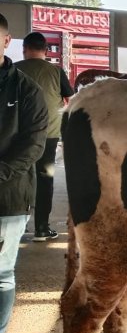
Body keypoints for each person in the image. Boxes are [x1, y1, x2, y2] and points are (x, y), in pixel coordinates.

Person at [0, 14, 50, 333]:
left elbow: (34, 143)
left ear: (7, 42)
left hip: (9, 196)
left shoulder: (24, 89)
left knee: (1, 274)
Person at [15, 32, 73, 241]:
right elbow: (70, 97)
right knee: (45, 178)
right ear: (46, 51)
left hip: (16, 136)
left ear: (24, 49)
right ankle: (41, 228)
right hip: (48, 136)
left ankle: (14, 229)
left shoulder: (14, 69)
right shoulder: (56, 72)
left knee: (16, 178)